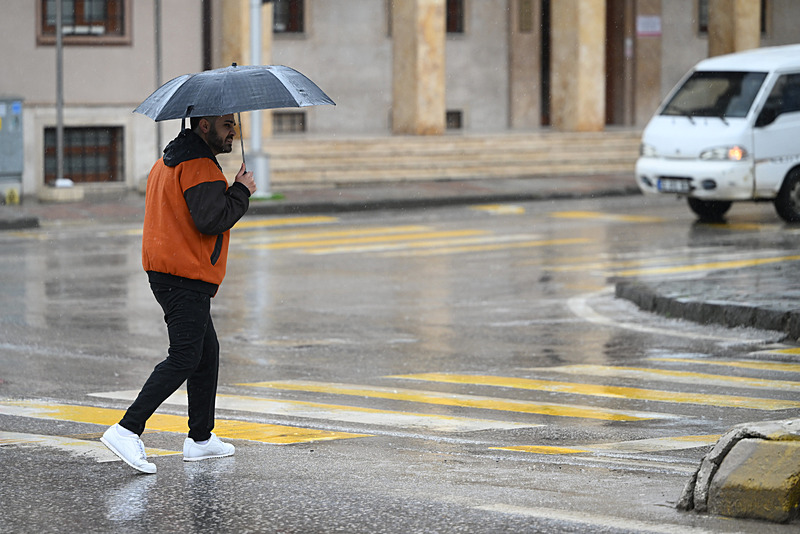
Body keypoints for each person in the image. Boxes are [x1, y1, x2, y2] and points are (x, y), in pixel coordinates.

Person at [101, 114, 256, 474]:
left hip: (169, 270)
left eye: (233, 125)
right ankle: (127, 429)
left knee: (206, 352)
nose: (233, 131)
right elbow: (211, 220)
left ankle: (200, 438)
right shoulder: (199, 166)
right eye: (226, 125)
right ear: (204, 126)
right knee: (185, 356)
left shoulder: (168, 161)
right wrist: (241, 191)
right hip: (185, 274)